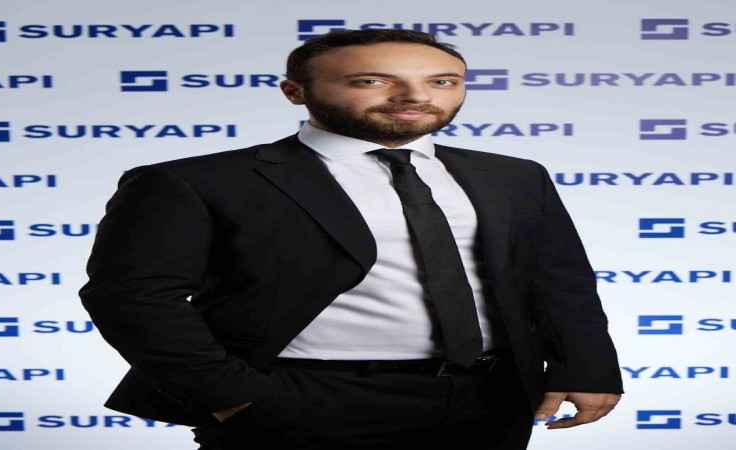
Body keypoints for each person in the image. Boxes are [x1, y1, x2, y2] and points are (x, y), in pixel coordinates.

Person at [79, 29, 623, 449]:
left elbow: (558, 279)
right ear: (296, 91)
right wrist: (232, 397)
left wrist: (586, 367)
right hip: (302, 396)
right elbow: (133, 297)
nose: (413, 96)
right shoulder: (195, 181)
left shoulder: (514, 175)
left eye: (442, 81)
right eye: (371, 81)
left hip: (490, 396)